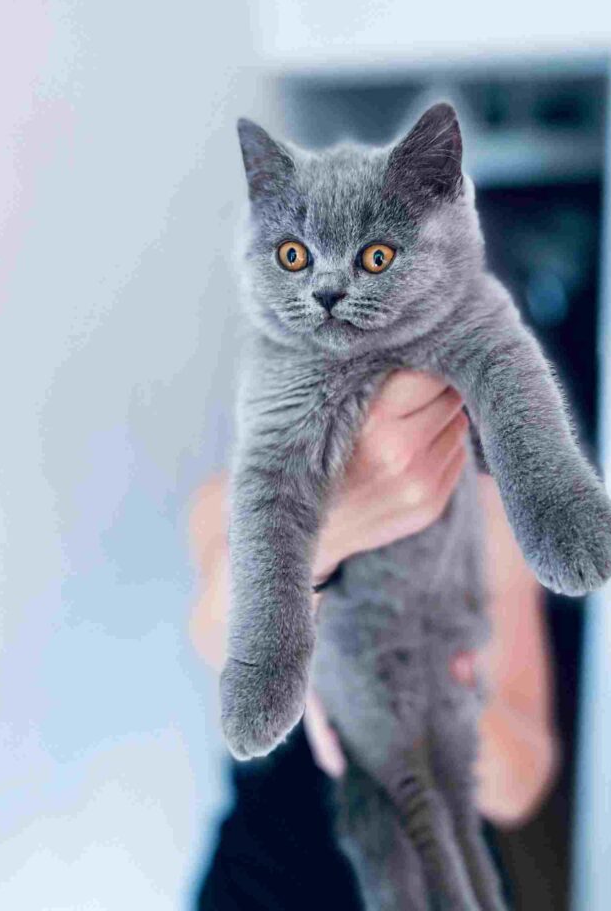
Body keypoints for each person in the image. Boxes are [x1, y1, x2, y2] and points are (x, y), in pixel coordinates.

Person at [188, 371, 559, 909]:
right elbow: (216, 633)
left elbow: (521, 782)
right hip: (265, 880)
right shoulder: (248, 490)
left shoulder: (488, 511)